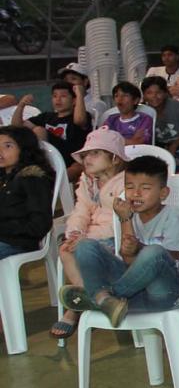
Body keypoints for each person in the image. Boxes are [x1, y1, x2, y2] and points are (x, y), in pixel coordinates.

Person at [58, 154, 179, 328]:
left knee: (154, 252)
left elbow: (171, 259)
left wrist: (139, 246)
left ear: (163, 193)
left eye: (145, 188)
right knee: (85, 245)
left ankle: (99, 297)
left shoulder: (173, 216)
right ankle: (104, 300)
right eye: (130, 187)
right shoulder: (128, 216)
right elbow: (128, 260)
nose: (136, 193)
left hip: (171, 292)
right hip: (135, 295)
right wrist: (125, 220)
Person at [51, 129, 127, 339]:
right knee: (66, 249)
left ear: (115, 158)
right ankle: (94, 298)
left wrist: (89, 239)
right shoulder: (87, 180)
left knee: (82, 250)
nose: (87, 159)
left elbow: (121, 221)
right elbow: (81, 210)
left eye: (95, 153)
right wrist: (75, 233)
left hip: (114, 237)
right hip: (89, 235)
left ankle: (74, 308)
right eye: (85, 155)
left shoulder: (126, 182)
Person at [0, 126, 54, 271]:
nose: (0, 152)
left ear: (24, 148)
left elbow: (39, 224)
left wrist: (5, 228)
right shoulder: (4, 179)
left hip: (16, 243)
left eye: (7, 146)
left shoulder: (32, 178)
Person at [17, 81, 90, 183]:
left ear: (74, 101)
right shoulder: (46, 117)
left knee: (74, 170)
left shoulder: (80, 115)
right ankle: (41, 170)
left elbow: (79, 120)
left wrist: (79, 95)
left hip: (70, 158)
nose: (58, 100)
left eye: (63, 96)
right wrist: (21, 105)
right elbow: (17, 127)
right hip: (48, 159)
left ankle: (47, 178)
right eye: (55, 96)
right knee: (32, 133)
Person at [141, 77, 179, 164]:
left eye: (158, 92)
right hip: (158, 147)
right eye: (149, 93)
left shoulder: (176, 106)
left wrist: (174, 146)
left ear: (165, 93)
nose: (154, 96)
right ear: (144, 96)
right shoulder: (143, 112)